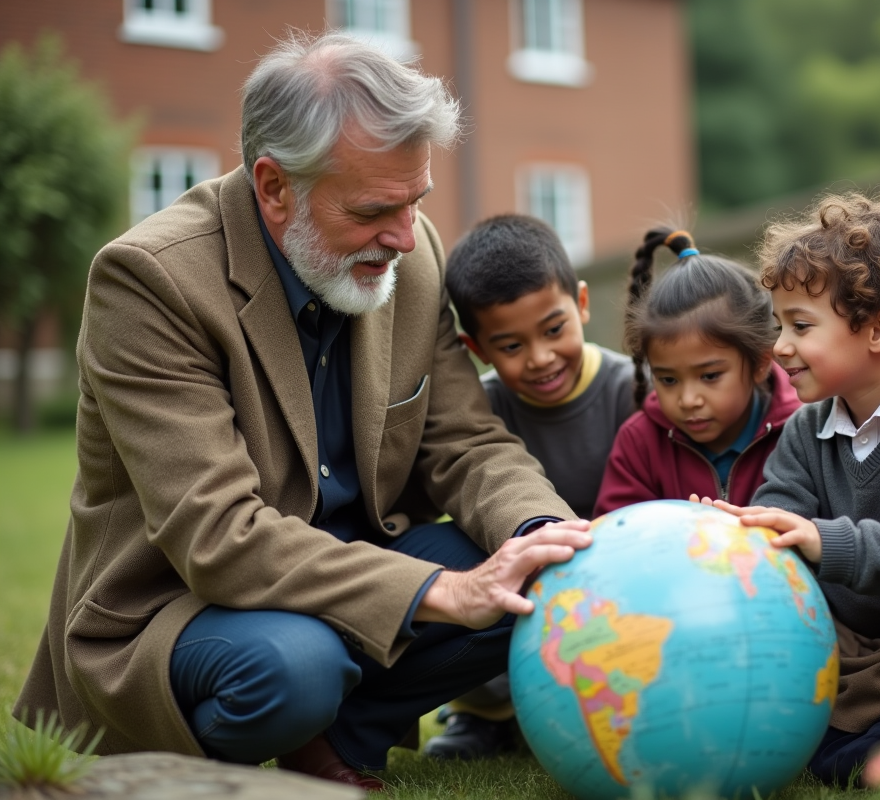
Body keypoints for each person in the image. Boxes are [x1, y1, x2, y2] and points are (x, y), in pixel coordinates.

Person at [13, 32, 591, 792]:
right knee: (296, 668)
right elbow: (217, 536)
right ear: (275, 187)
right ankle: (290, 727)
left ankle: (334, 743)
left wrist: (543, 534)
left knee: (545, 580)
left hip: (357, 567)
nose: (403, 234)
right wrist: (440, 592)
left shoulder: (409, 252)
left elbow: (467, 443)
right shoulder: (148, 283)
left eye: (415, 200)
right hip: (187, 606)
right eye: (374, 209)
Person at [705, 193, 880, 784]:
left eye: (800, 326)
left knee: (859, 764)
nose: (779, 346)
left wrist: (824, 541)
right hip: (842, 654)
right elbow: (780, 517)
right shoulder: (807, 428)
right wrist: (735, 535)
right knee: (807, 753)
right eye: (779, 324)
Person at [426, 214, 636, 758]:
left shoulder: (630, 391)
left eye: (553, 329)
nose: (541, 358)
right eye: (511, 346)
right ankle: (483, 713)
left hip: (618, 573)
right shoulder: (482, 410)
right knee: (469, 568)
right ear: (476, 347)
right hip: (526, 579)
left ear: (582, 304)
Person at [593, 229, 800, 516]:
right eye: (668, 380)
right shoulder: (639, 443)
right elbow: (617, 536)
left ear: (760, 363)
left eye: (710, 376)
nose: (688, 399)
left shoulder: (799, 431)